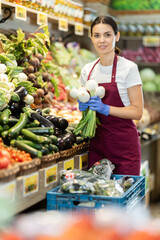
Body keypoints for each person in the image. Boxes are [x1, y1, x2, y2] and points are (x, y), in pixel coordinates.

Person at [78, 16, 143, 176]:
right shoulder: (88, 70)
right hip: (97, 145)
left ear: (117, 36)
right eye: (97, 35)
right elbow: (85, 103)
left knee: (125, 195)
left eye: (107, 35)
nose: (102, 40)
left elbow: (137, 112)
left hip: (124, 148)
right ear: (91, 38)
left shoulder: (129, 68)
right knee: (99, 194)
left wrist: (105, 108)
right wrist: (83, 107)